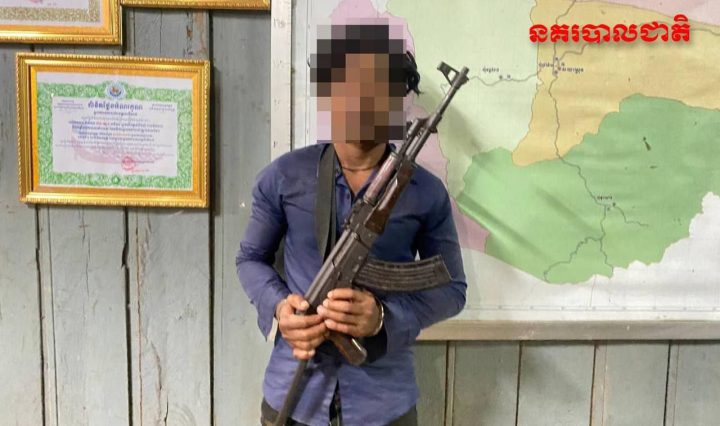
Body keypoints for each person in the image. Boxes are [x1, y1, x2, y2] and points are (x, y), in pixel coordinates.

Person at [236, 21, 466, 426]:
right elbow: (250, 259)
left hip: (384, 405)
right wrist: (280, 307)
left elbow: (452, 289)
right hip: (294, 396)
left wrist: (383, 318)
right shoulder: (284, 177)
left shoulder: (425, 192)